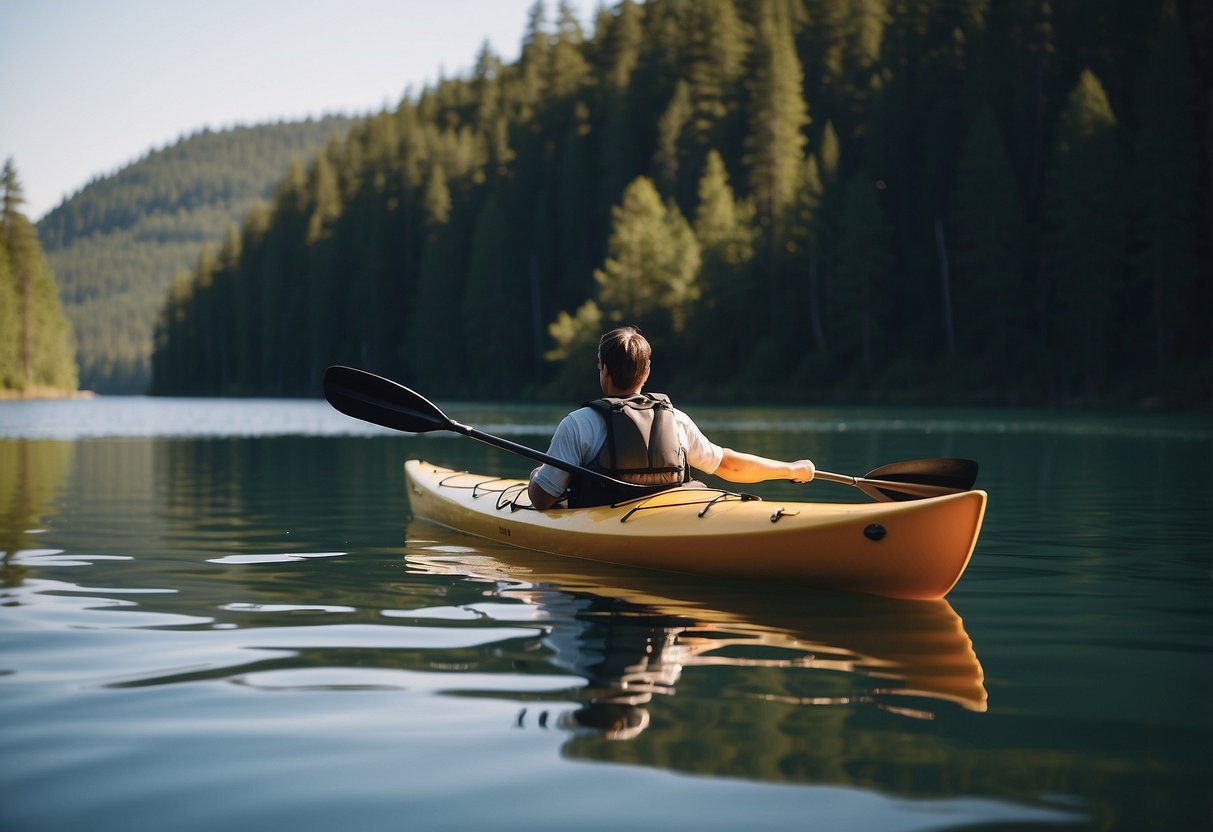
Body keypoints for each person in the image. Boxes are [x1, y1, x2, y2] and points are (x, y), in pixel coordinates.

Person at [527, 326, 815, 509]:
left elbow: (543, 499)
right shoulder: (676, 420)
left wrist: (536, 475)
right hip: (669, 514)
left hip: (609, 523)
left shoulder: (578, 424)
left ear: (604, 371)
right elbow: (729, 465)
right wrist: (790, 469)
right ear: (647, 373)